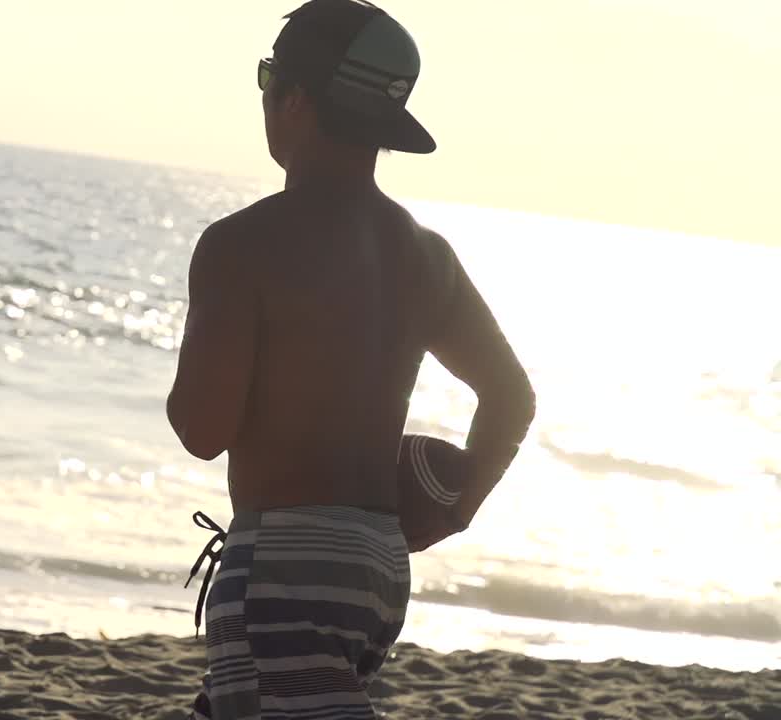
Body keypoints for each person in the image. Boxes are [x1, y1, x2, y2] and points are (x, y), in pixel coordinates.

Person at [165, 1, 537, 717]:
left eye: (268, 76)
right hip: (377, 568)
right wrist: (456, 509)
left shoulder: (242, 244)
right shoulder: (426, 255)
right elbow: (511, 397)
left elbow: (203, 430)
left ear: (297, 99)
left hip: (282, 560)